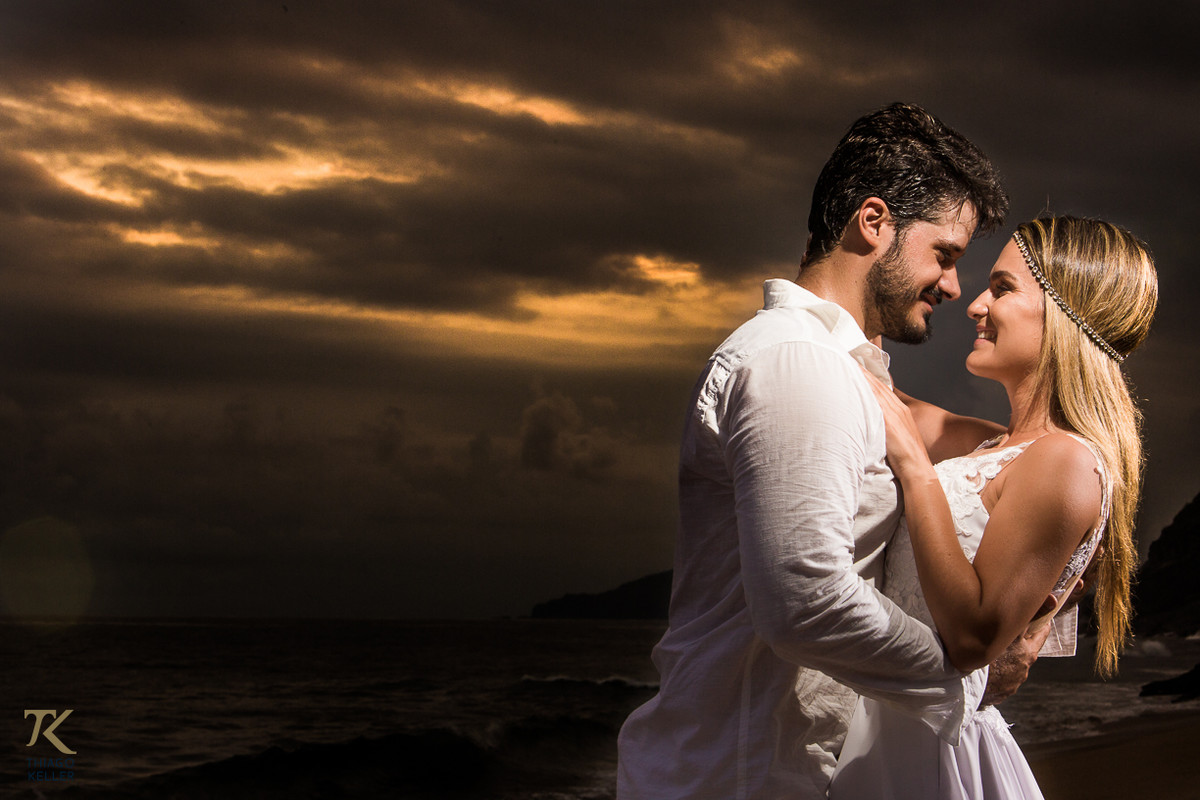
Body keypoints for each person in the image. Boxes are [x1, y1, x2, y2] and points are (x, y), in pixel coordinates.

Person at [617, 102, 1013, 799]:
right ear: (873, 221)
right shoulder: (796, 365)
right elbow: (804, 601)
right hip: (738, 778)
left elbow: (1009, 456)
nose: (954, 287)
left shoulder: (847, 369)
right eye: (945, 255)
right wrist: (956, 674)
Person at [829, 216, 1158, 799]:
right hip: (886, 731)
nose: (976, 304)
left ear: (1063, 312)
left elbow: (973, 638)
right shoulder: (994, 447)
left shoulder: (1068, 463)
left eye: (1003, 289)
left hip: (933, 753)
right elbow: (874, 389)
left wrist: (913, 468)